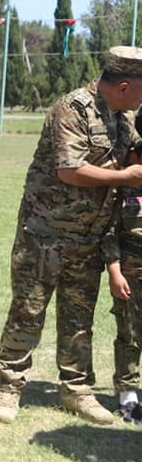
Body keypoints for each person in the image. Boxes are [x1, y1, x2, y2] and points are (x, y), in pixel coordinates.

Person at [0, 45, 142, 425]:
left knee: (79, 319)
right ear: (125, 87)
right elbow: (69, 170)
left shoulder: (123, 119)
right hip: (45, 234)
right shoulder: (73, 108)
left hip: (89, 238)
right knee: (28, 311)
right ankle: (9, 386)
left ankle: (77, 390)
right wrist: (124, 177)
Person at [101, 118, 142, 425]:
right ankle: (128, 395)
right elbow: (110, 231)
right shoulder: (125, 185)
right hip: (130, 274)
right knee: (129, 335)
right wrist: (115, 271)